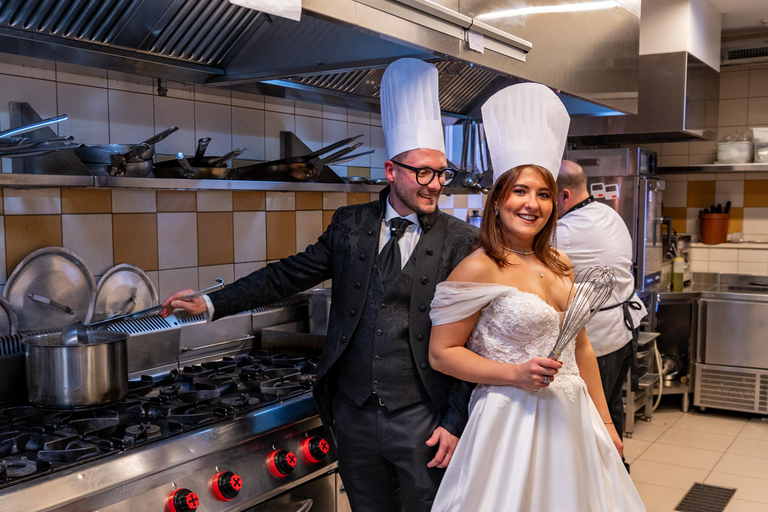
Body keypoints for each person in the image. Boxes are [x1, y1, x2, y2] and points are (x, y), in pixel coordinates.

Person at [160, 58, 478, 512]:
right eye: (422, 172)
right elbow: (287, 275)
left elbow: (475, 337)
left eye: (441, 173)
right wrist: (211, 301)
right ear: (391, 171)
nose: (435, 185)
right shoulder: (351, 225)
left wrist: (455, 420)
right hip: (351, 413)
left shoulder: (462, 240)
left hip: (423, 416)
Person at [428, 83, 646, 511]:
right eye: (520, 191)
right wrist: (514, 374)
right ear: (497, 201)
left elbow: (581, 347)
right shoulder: (480, 266)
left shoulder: (560, 261)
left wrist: (604, 421)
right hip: (509, 421)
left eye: (543, 193)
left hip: (572, 415)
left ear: (555, 202)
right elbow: (442, 353)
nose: (532, 204)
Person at [555, 160, 648, 441]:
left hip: (598, 342)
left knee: (593, 419)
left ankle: (602, 479)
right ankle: (617, 476)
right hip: (622, 333)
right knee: (611, 408)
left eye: (545, 194)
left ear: (564, 195)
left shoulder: (564, 231)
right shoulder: (607, 212)